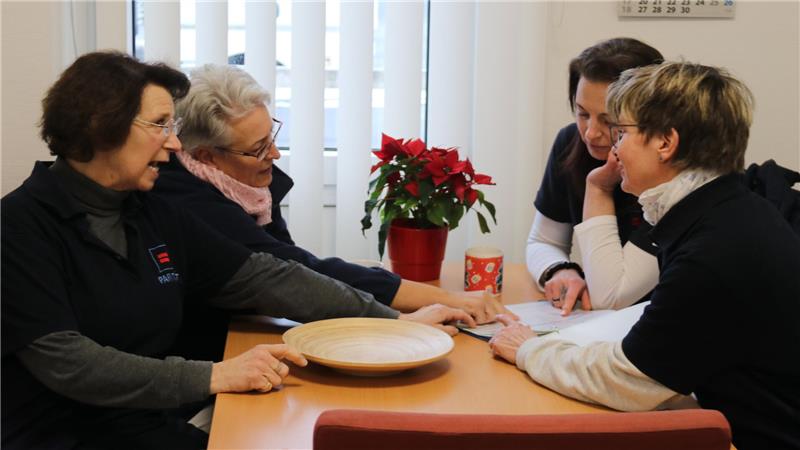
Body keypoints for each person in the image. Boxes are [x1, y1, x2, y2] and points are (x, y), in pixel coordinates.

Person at [0, 51, 474, 449]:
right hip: (61, 435)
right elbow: (70, 363)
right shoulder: (19, 226)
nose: (174, 143)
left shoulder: (149, 210)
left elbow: (268, 275)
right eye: (161, 125)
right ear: (103, 128)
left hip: (144, 422)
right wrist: (213, 376)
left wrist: (392, 325)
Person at [491, 62, 800, 449]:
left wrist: (529, 350)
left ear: (665, 143)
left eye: (621, 133)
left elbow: (629, 381)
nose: (614, 148)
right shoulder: (730, 209)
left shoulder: (713, 249)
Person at [152, 64, 511, 361]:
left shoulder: (243, 180)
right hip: (204, 363)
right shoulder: (187, 199)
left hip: (241, 340)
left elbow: (293, 266)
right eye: (258, 149)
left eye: (272, 137)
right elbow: (290, 271)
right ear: (206, 157)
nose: (274, 155)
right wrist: (418, 312)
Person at [526, 37, 664, 315]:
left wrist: (598, 188)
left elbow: (614, 296)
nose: (590, 132)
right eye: (582, 113)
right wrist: (560, 270)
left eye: (609, 120)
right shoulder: (570, 144)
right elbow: (544, 241)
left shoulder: (671, 168)